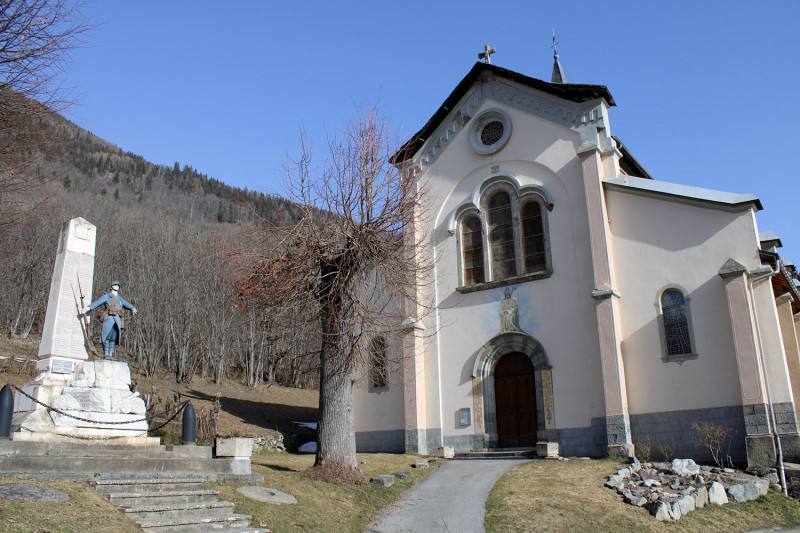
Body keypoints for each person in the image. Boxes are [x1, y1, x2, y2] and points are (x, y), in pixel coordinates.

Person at [83, 281, 137, 359]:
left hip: (117, 320)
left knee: (114, 338)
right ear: (111, 287)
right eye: (115, 285)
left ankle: (110, 355)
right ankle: (106, 354)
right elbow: (97, 303)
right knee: (106, 336)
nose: (117, 286)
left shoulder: (120, 298)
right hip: (109, 318)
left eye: (118, 285)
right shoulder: (107, 296)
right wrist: (88, 308)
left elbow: (127, 304)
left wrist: (133, 308)